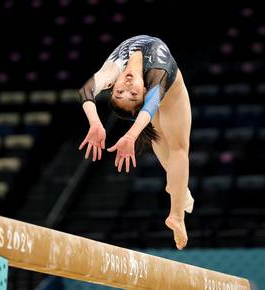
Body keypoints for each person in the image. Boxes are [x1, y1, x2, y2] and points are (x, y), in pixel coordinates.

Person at [77, 35, 194, 250]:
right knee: (178, 149)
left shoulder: (113, 71)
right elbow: (148, 107)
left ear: (111, 87)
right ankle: (177, 216)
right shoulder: (156, 72)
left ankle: (177, 192)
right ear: (144, 92)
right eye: (132, 94)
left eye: (120, 92)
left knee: (167, 139)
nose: (127, 86)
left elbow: (86, 90)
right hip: (164, 91)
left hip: (164, 93)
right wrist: (127, 134)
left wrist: (95, 122)